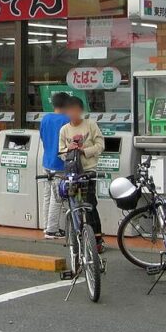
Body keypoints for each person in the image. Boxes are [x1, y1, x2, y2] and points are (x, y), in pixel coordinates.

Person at [58, 95, 105, 251]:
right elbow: (61, 152)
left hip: (88, 171)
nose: (73, 113)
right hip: (72, 173)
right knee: (75, 204)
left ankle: (97, 239)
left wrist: (84, 151)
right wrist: (68, 149)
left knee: (90, 203)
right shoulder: (64, 130)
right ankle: (78, 235)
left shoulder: (90, 125)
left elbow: (100, 145)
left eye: (75, 110)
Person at [39, 92, 71, 239]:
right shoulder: (66, 120)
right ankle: (52, 230)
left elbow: (42, 137)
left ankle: (46, 226)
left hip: (46, 161)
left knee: (47, 195)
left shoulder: (45, 119)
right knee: (57, 198)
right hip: (59, 164)